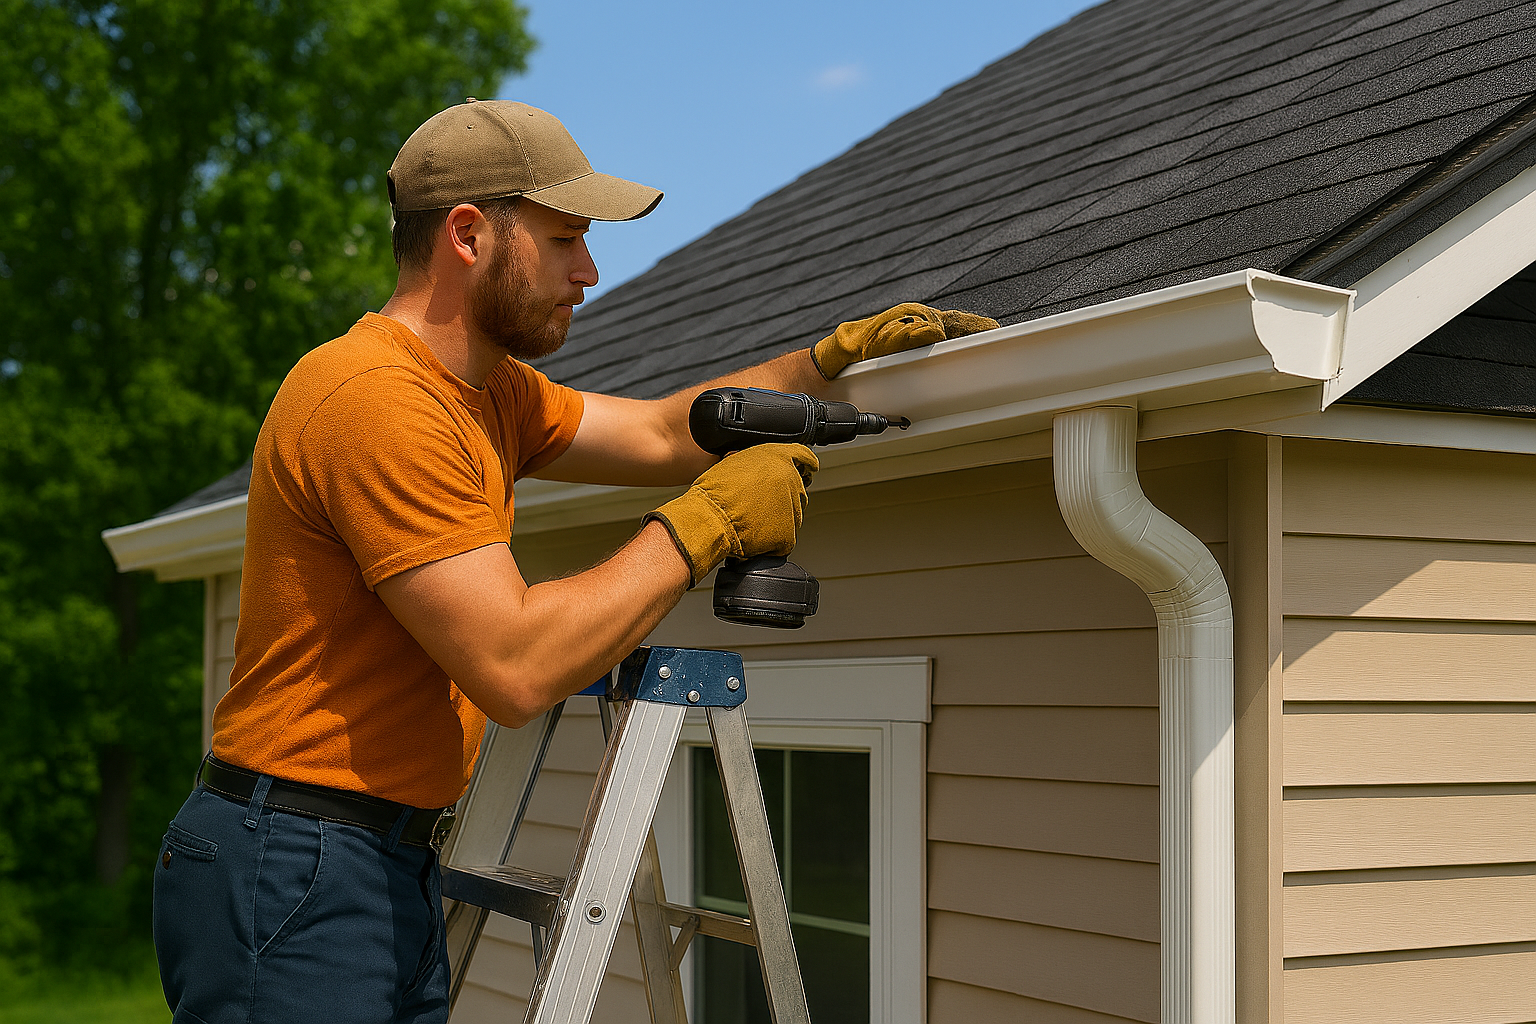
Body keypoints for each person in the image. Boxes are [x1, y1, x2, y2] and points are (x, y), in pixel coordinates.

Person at [151, 100, 996, 1023]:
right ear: (468, 234)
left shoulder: (490, 392)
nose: (588, 274)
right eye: (565, 242)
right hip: (296, 861)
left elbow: (663, 431)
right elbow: (516, 668)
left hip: (377, 857)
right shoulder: (378, 402)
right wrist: (707, 524)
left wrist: (824, 366)